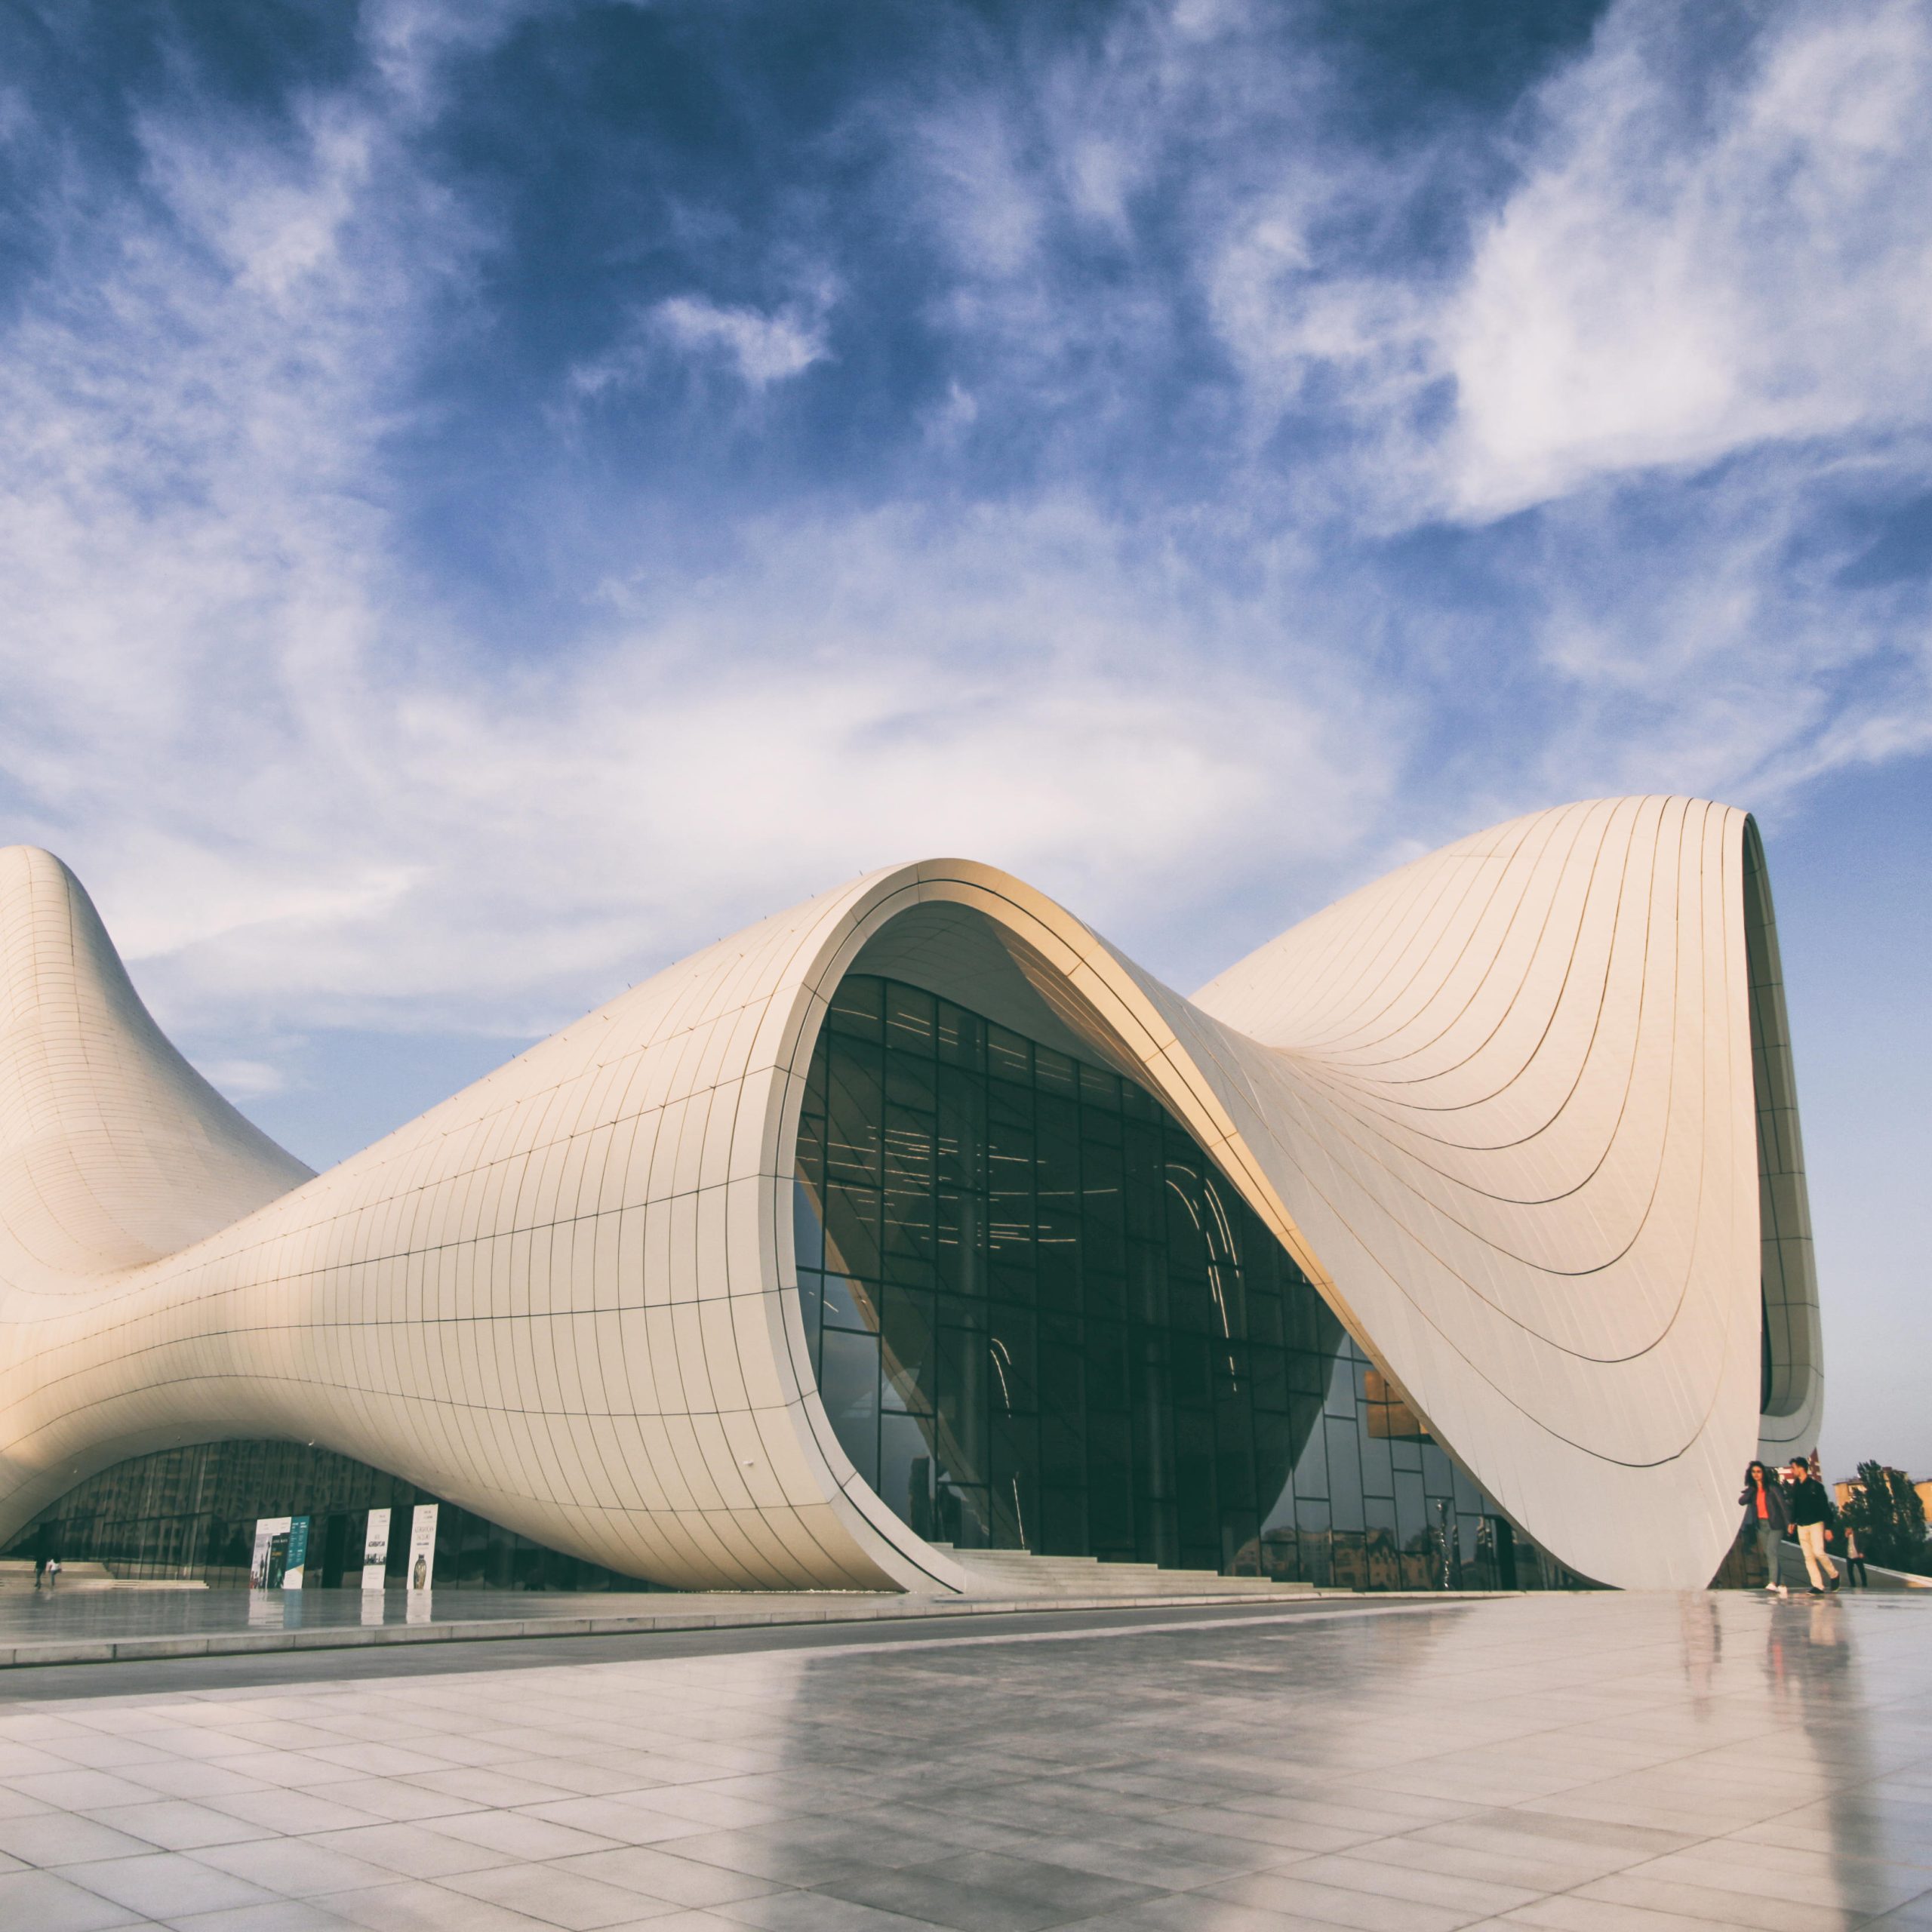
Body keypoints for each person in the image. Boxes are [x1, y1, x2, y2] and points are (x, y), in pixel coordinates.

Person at [1786, 1458, 1840, 1594]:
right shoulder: (1796, 1486)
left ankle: (1834, 1575)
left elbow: (1825, 1508)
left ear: (1801, 1468)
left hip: (1816, 1524)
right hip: (1802, 1526)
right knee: (1808, 1557)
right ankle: (1818, 1586)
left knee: (1818, 1552)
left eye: (1793, 1468)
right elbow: (1795, 1507)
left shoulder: (1815, 1486)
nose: (1792, 1471)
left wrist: (1828, 1528)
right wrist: (1792, 1523)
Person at [1738, 1461, 1789, 1593]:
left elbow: (1783, 1507)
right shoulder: (1753, 1491)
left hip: (1775, 1524)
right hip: (1761, 1525)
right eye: (1754, 1472)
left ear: (1763, 1473)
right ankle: (1782, 1584)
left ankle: (1772, 1582)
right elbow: (1741, 1501)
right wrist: (1751, 1490)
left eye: (1759, 1472)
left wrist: (1788, 1524)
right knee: (1770, 1554)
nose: (1756, 1474)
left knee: (1771, 1550)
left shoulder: (1772, 1489)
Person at [1843, 1523, 1868, 1589]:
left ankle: (1864, 1584)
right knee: (1850, 1571)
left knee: (1861, 1570)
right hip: (1849, 1556)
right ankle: (1853, 1584)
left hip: (1857, 1555)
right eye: (1846, 1530)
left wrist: (1862, 1552)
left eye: (1848, 1529)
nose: (1847, 1531)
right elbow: (1842, 1544)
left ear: (1851, 1529)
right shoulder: (1846, 1537)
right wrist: (1846, 1537)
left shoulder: (1857, 1534)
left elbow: (1863, 1543)